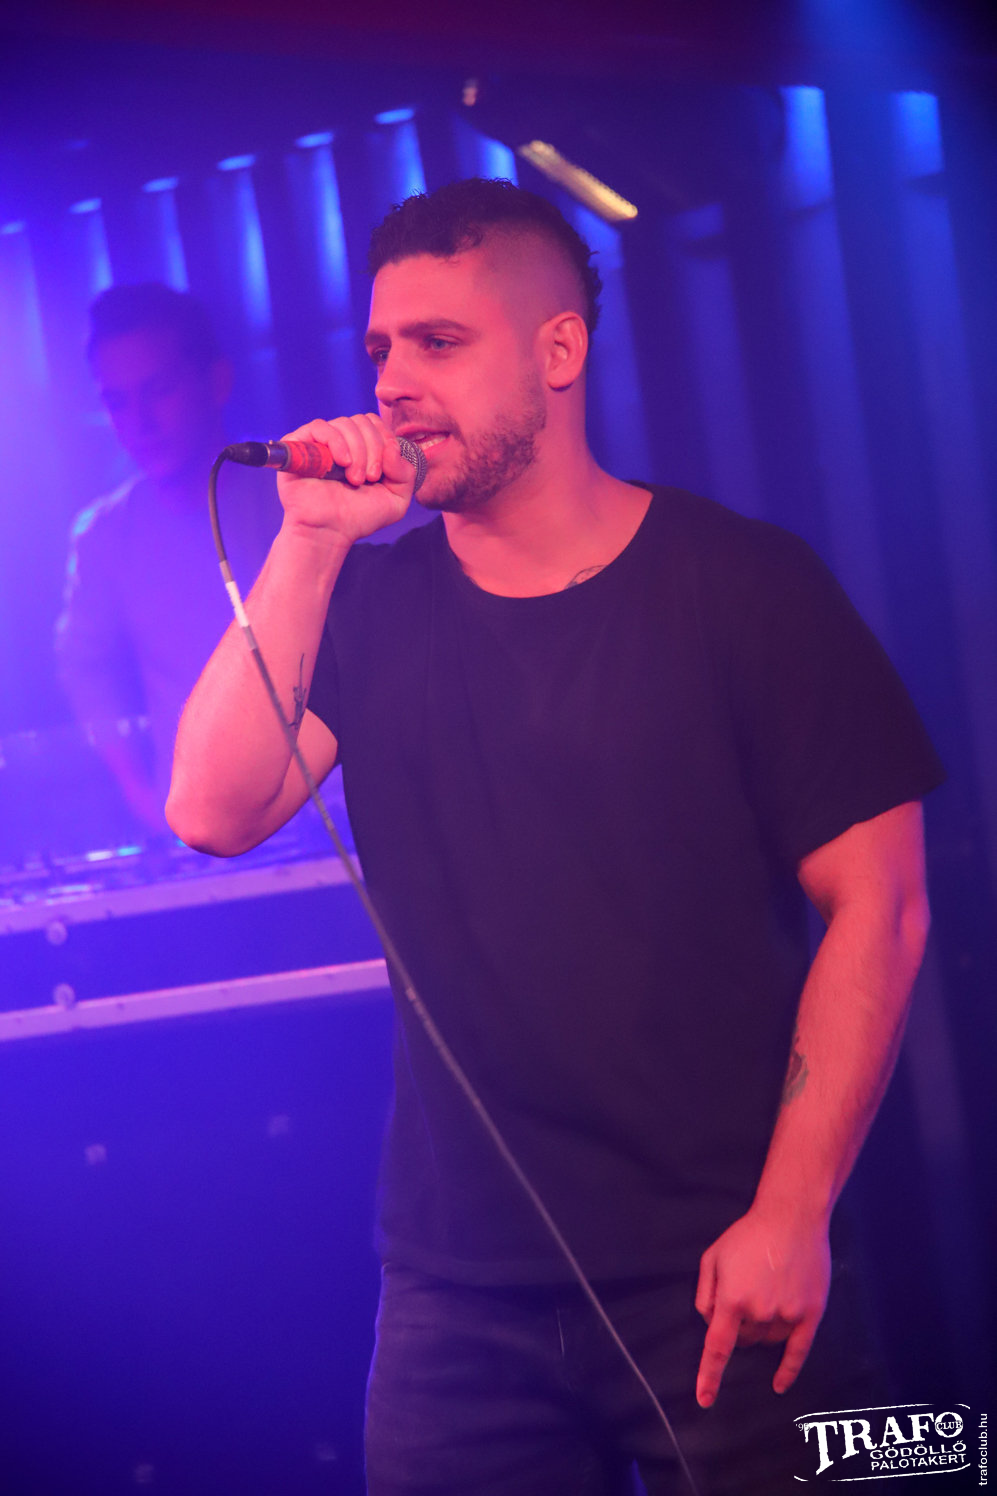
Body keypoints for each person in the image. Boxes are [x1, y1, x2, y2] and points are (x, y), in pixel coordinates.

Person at [166, 179, 944, 1493]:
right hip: (458, 1294)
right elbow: (210, 811)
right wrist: (308, 543)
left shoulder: (744, 584)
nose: (393, 381)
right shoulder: (368, 598)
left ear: (559, 350)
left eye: (439, 342)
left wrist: (793, 1211)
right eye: (381, 348)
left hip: (725, 1263)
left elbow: (883, 902)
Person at [56, 283, 279, 835]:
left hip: (337, 809)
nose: (139, 421)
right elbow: (82, 668)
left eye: (158, 390)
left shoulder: (298, 491)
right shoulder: (104, 537)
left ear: (217, 382)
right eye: (117, 401)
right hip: (206, 829)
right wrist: (138, 790)